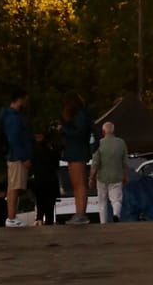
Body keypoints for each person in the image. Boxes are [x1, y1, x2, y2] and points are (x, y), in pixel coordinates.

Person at [0, 89, 32, 227]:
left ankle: (12, 216)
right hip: (16, 157)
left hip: (15, 156)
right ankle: (11, 217)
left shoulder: (10, 116)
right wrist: (24, 157)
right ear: (19, 99)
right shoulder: (13, 118)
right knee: (14, 187)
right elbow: (14, 139)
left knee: (14, 186)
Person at [60, 92, 91, 225]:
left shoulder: (81, 115)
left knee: (80, 184)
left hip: (78, 152)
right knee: (76, 184)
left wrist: (64, 129)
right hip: (73, 152)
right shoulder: (78, 116)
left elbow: (80, 132)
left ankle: (81, 213)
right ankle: (79, 212)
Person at [88, 121, 128, 223]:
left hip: (102, 177)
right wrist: (126, 175)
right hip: (117, 177)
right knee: (116, 199)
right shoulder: (121, 143)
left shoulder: (99, 143)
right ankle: (116, 214)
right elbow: (125, 162)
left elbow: (95, 163)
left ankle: (103, 223)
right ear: (113, 130)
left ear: (103, 131)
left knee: (102, 202)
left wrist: (91, 178)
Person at [30, 130, 59, 226]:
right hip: (43, 180)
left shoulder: (45, 148)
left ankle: (42, 219)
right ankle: (41, 218)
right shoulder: (38, 148)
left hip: (46, 180)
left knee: (46, 204)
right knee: (42, 202)